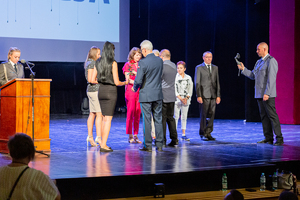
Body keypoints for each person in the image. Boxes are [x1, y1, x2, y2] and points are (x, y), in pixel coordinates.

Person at [237, 42, 284, 146]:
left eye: (258, 49)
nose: (257, 51)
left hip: (268, 94)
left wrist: (267, 93)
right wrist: (243, 69)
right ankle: (268, 138)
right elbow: (253, 75)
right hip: (259, 94)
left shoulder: (271, 61)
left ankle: (279, 138)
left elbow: (271, 79)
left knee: (272, 116)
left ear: (265, 49)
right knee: (264, 116)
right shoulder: (258, 62)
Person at [0, 133, 60, 200]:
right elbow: (56, 197)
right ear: (31, 153)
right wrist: (53, 185)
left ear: (10, 152)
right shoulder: (38, 177)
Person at [92, 41, 128, 152]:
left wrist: (102, 81)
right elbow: (117, 82)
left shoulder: (98, 62)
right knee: (107, 120)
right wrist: (125, 82)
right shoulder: (113, 63)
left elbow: (93, 79)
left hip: (101, 91)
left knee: (103, 118)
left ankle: (102, 143)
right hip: (110, 91)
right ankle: (103, 145)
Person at [132, 40, 164, 152]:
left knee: (147, 120)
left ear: (145, 50)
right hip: (158, 93)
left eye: (142, 50)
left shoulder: (143, 62)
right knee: (158, 119)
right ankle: (160, 144)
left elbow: (139, 79)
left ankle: (148, 145)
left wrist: (134, 88)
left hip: (146, 94)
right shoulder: (160, 60)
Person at [194, 51, 221, 141]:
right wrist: (199, 95)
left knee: (212, 114)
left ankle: (208, 132)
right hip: (204, 95)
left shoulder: (215, 68)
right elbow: (197, 82)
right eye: (207, 57)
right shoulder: (199, 68)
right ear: (203, 58)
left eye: (210, 57)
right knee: (204, 114)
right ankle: (203, 133)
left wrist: (218, 95)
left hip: (213, 95)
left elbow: (217, 82)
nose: (209, 59)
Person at [122, 47, 142, 144]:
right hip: (131, 90)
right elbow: (128, 79)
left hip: (140, 91)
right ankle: (130, 135)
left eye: (139, 55)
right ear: (132, 55)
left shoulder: (141, 65)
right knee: (131, 112)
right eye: (137, 55)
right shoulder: (128, 65)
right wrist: (138, 82)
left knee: (138, 112)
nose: (138, 56)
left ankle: (136, 135)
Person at [160, 49, 178, 147]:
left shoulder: (163, 66)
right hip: (172, 95)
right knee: (171, 118)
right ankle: (174, 139)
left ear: (162, 56)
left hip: (163, 95)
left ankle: (162, 140)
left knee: (162, 118)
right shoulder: (174, 65)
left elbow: (159, 78)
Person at [85, 46, 102, 147]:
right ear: (94, 54)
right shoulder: (92, 63)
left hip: (91, 91)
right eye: (98, 54)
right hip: (95, 90)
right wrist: (102, 81)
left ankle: (90, 136)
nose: (100, 56)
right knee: (99, 114)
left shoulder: (89, 62)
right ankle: (98, 137)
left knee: (92, 114)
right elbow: (91, 80)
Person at [174, 61, 193, 141]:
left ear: (184, 69)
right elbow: (174, 89)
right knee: (175, 116)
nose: (179, 70)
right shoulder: (175, 77)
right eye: (178, 68)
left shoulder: (188, 78)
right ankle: (174, 134)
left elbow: (190, 89)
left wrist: (186, 98)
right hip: (177, 99)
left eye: (181, 68)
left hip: (185, 100)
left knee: (184, 116)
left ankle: (183, 134)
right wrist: (180, 98)